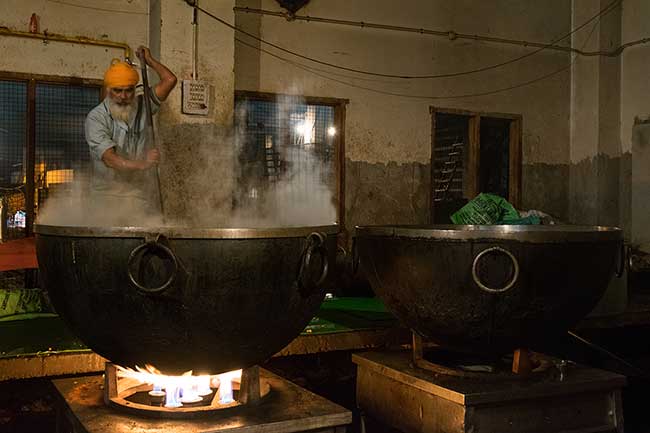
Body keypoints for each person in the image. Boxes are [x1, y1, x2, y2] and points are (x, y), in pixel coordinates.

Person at [85, 46, 177, 223]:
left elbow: (170, 80)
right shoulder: (96, 117)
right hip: (105, 198)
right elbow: (110, 159)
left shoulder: (144, 106)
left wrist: (149, 60)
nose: (123, 96)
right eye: (117, 90)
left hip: (137, 195)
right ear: (108, 90)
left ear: (135, 90)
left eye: (128, 90)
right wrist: (144, 164)